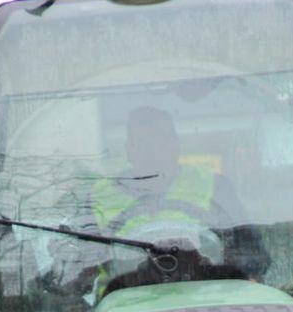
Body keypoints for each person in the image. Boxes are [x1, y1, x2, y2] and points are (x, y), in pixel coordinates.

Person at [89, 106, 269, 289]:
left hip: (208, 297)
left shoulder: (215, 187)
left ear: (176, 145)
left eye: (161, 141)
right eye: (143, 143)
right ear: (129, 149)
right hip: (122, 302)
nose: (153, 151)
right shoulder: (98, 195)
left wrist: (237, 269)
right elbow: (77, 265)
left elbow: (251, 252)